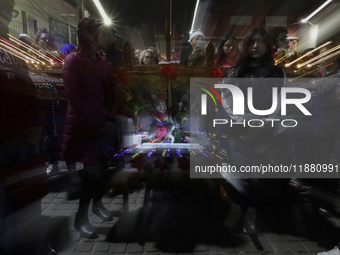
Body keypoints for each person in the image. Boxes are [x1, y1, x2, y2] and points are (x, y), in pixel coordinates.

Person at [0, 0, 57, 254]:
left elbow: (31, 92)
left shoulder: (14, 53)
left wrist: (38, 124)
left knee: (30, 198)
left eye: (8, 10)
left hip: (25, 142)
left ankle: (34, 245)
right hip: (3, 143)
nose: (5, 14)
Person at [220, 27, 288, 229]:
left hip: (263, 132)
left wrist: (258, 127)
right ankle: (236, 209)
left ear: (268, 45)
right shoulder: (237, 71)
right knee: (233, 172)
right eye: (252, 41)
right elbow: (226, 97)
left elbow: (279, 104)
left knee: (258, 174)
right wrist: (240, 123)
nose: (256, 46)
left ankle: (252, 212)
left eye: (261, 41)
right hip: (237, 129)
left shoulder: (276, 73)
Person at [61, 17, 118, 239]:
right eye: (102, 33)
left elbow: (111, 91)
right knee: (91, 174)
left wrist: (111, 117)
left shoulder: (102, 60)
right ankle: (81, 218)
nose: (107, 38)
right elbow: (74, 97)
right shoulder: (73, 60)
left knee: (105, 169)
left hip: (105, 125)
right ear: (88, 35)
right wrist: (99, 122)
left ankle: (98, 205)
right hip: (87, 128)